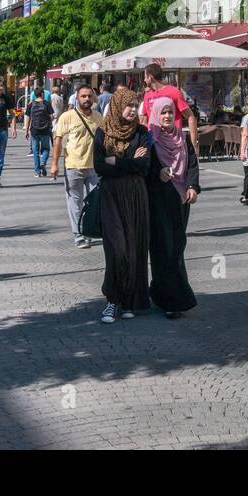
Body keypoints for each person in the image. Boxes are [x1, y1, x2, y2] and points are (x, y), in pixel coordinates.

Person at [93, 87, 152, 324]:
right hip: (112, 196)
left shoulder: (141, 132)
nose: (132, 110)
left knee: (134, 249)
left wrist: (116, 161)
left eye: (135, 106)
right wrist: (128, 161)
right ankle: (111, 300)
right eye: (128, 105)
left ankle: (128, 301)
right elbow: (99, 165)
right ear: (117, 105)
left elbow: (145, 165)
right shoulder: (102, 132)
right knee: (117, 250)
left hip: (136, 195)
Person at [146, 98, 199, 318]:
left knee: (177, 246)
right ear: (156, 115)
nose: (167, 116)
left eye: (170, 112)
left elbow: (193, 164)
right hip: (159, 201)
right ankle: (172, 300)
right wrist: (157, 174)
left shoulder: (183, 138)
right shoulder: (150, 140)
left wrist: (193, 186)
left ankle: (167, 294)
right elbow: (143, 169)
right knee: (164, 248)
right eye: (163, 113)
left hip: (180, 200)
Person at [51, 84, 103, 249]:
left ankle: (88, 230)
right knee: (75, 202)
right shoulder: (67, 116)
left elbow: (104, 141)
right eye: (83, 96)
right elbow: (58, 140)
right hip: (73, 166)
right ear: (77, 97)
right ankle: (78, 234)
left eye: (89, 96)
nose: (87, 99)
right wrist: (54, 165)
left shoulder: (98, 117)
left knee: (94, 202)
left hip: (94, 167)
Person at [140, 64, 198, 151]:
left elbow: (191, 117)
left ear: (150, 77)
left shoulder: (174, 92)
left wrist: (194, 144)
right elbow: (144, 122)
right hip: (154, 144)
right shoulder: (147, 95)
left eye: (145, 77)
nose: (144, 80)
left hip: (173, 144)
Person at [25, 88, 54, 178]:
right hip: (45, 130)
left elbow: (28, 118)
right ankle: (43, 163)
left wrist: (26, 130)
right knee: (46, 149)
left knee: (35, 151)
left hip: (34, 130)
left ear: (34, 94)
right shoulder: (46, 103)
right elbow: (52, 116)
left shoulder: (31, 105)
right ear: (42, 94)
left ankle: (37, 172)